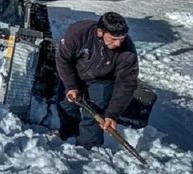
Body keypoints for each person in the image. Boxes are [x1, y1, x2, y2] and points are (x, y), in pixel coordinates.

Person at [56, 12, 139, 148]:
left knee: (95, 113)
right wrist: (71, 86)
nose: (118, 43)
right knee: (66, 104)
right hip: (75, 73)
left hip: (103, 79)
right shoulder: (78, 32)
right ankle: (69, 135)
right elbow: (63, 60)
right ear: (100, 31)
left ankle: (88, 149)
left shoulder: (127, 49)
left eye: (122, 39)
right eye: (113, 39)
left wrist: (112, 114)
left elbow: (127, 83)